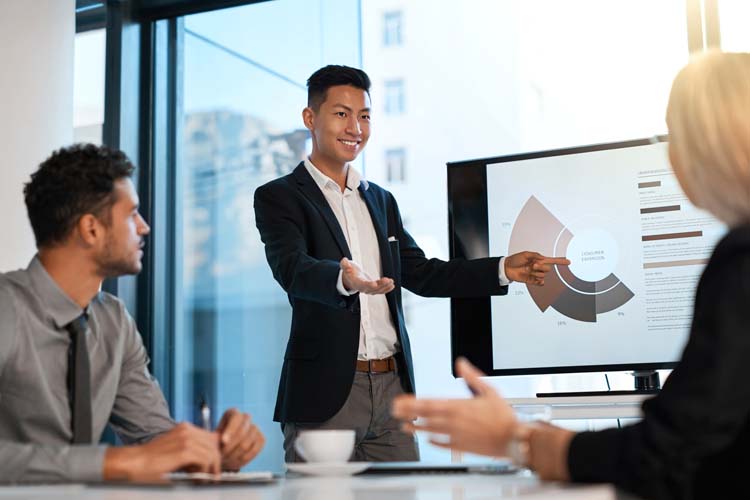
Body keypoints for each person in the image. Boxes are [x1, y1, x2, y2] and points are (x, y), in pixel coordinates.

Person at [392, 51, 750, 500]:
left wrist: (518, 441)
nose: (671, 154)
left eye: (676, 137)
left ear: (713, 144)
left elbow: (669, 450)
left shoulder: (740, 259)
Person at [253, 64, 569, 462]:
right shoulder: (279, 196)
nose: (356, 127)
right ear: (310, 118)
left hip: (391, 390)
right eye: (341, 114)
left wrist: (503, 268)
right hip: (325, 394)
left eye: (364, 116)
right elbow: (292, 269)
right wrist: (344, 278)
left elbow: (421, 272)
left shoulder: (381, 200)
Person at [0, 144, 265, 483]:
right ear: (91, 229)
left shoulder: (113, 321)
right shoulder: (7, 307)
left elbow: (155, 441)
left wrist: (212, 451)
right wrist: (116, 463)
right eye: (131, 214)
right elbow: (135, 460)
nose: (144, 227)